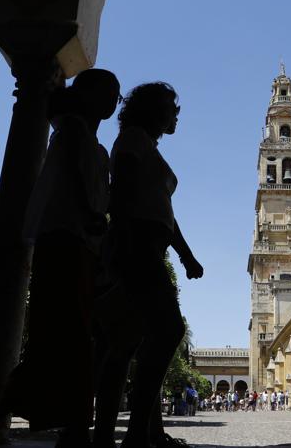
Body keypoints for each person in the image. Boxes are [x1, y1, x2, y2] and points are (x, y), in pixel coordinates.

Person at [0, 69, 122, 448]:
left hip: (78, 248)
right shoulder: (75, 134)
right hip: (65, 244)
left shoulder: (90, 142)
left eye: (117, 93)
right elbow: (75, 186)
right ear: (87, 95)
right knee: (65, 340)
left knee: (64, 341)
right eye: (108, 91)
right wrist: (94, 216)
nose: (114, 99)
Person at [93, 83, 203, 448]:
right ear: (153, 109)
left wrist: (185, 255)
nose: (176, 114)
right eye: (171, 107)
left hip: (146, 250)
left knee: (126, 344)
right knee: (168, 330)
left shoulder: (145, 146)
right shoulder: (133, 141)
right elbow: (121, 194)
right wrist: (122, 246)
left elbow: (164, 211)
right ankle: (137, 434)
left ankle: (123, 434)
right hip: (136, 249)